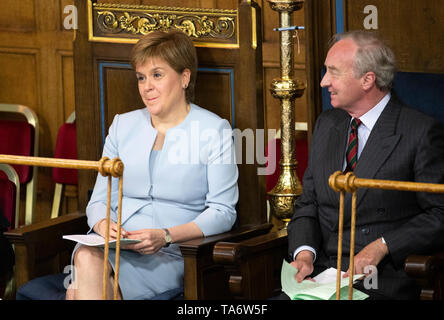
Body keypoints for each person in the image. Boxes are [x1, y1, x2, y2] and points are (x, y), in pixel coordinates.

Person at [65, 30, 239, 300]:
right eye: (141, 77)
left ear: (184, 77)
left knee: (78, 291)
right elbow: (98, 200)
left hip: (169, 253)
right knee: (87, 256)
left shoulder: (214, 130)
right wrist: (101, 224)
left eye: (157, 75)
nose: (147, 87)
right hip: (111, 246)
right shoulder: (122, 125)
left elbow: (223, 211)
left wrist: (166, 235)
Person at [285, 30, 444, 299]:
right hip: (319, 278)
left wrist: (383, 246)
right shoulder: (327, 124)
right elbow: (308, 204)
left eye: (333, 72)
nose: (324, 82)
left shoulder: (420, 132)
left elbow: (440, 213)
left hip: (381, 281)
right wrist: (304, 253)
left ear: (367, 80)